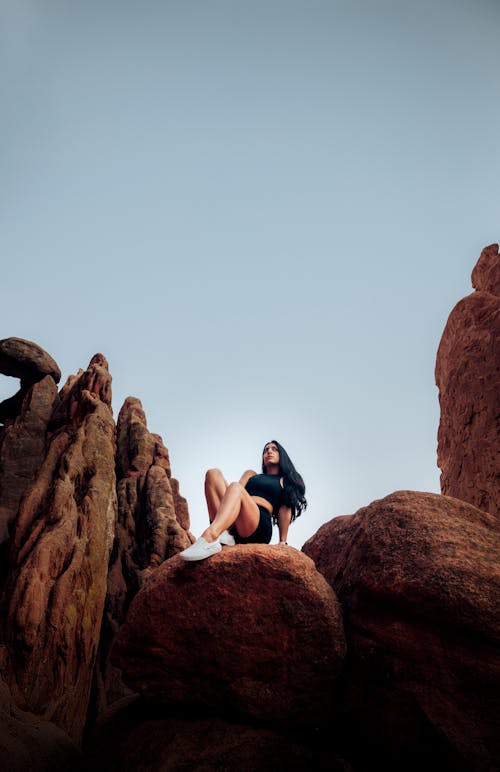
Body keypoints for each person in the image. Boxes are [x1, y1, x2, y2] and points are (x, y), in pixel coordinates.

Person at [180, 440, 307, 561]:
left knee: (236, 488)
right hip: (236, 520)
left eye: (274, 449)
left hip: (257, 524)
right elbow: (232, 492)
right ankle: (224, 534)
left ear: (282, 455)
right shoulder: (251, 475)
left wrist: (282, 541)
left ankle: (210, 537)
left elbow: (285, 510)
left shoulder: (284, 480)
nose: (269, 451)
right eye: (266, 450)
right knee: (213, 474)